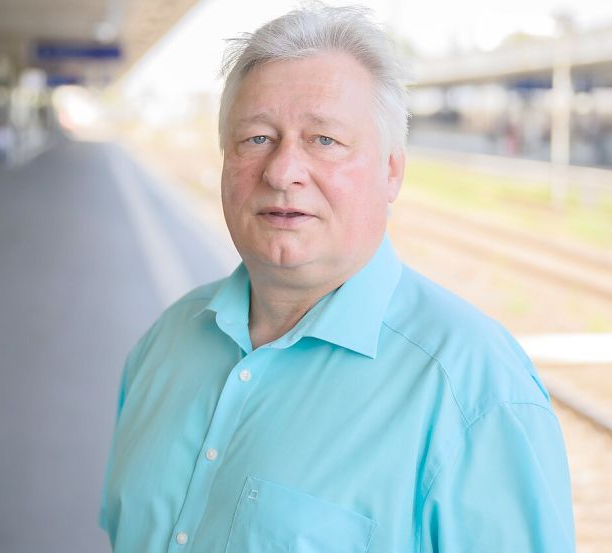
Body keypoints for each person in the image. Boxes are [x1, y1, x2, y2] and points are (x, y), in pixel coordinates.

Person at [99, 5, 575, 552]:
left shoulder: (475, 392)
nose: (282, 172)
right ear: (226, 159)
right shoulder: (164, 344)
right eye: (257, 138)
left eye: (324, 140)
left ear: (391, 169)